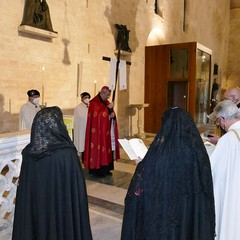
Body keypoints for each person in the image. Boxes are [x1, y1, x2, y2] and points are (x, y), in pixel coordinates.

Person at [121, 107, 215, 240]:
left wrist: (140, 165)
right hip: (188, 208)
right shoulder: (198, 151)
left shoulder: (162, 152)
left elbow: (150, 177)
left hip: (168, 209)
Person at [12, 106, 93, 240]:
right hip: (62, 212)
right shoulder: (67, 154)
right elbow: (77, 191)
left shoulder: (29, 153)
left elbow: (26, 195)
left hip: (39, 213)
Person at [209, 100, 240, 240]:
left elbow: (213, 170)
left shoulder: (228, 139)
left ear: (222, 119)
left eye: (218, 121)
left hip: (232, 192)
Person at [84, 86, 120, 177]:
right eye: (107, 95)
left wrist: (113, 115)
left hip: (106, 133)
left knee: (107, 150)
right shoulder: (94, 103)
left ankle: (106, 169)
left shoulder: (106, 102)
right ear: (102, 93)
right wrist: (108, 109)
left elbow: (109, 114)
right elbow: (98, 116)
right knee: (98, 150)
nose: (108, 97)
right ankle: (98, 171)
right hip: (97, 135)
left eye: (109, 95)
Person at [73, 92, 91, 160]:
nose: (87, 99)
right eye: (85, 98)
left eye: (88, 98)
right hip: (82, 129)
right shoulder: (78, 108)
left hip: (89, 129)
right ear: (82, 99)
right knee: (83, 144)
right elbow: (82, 117)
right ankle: (84, 159)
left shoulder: (91, 106)